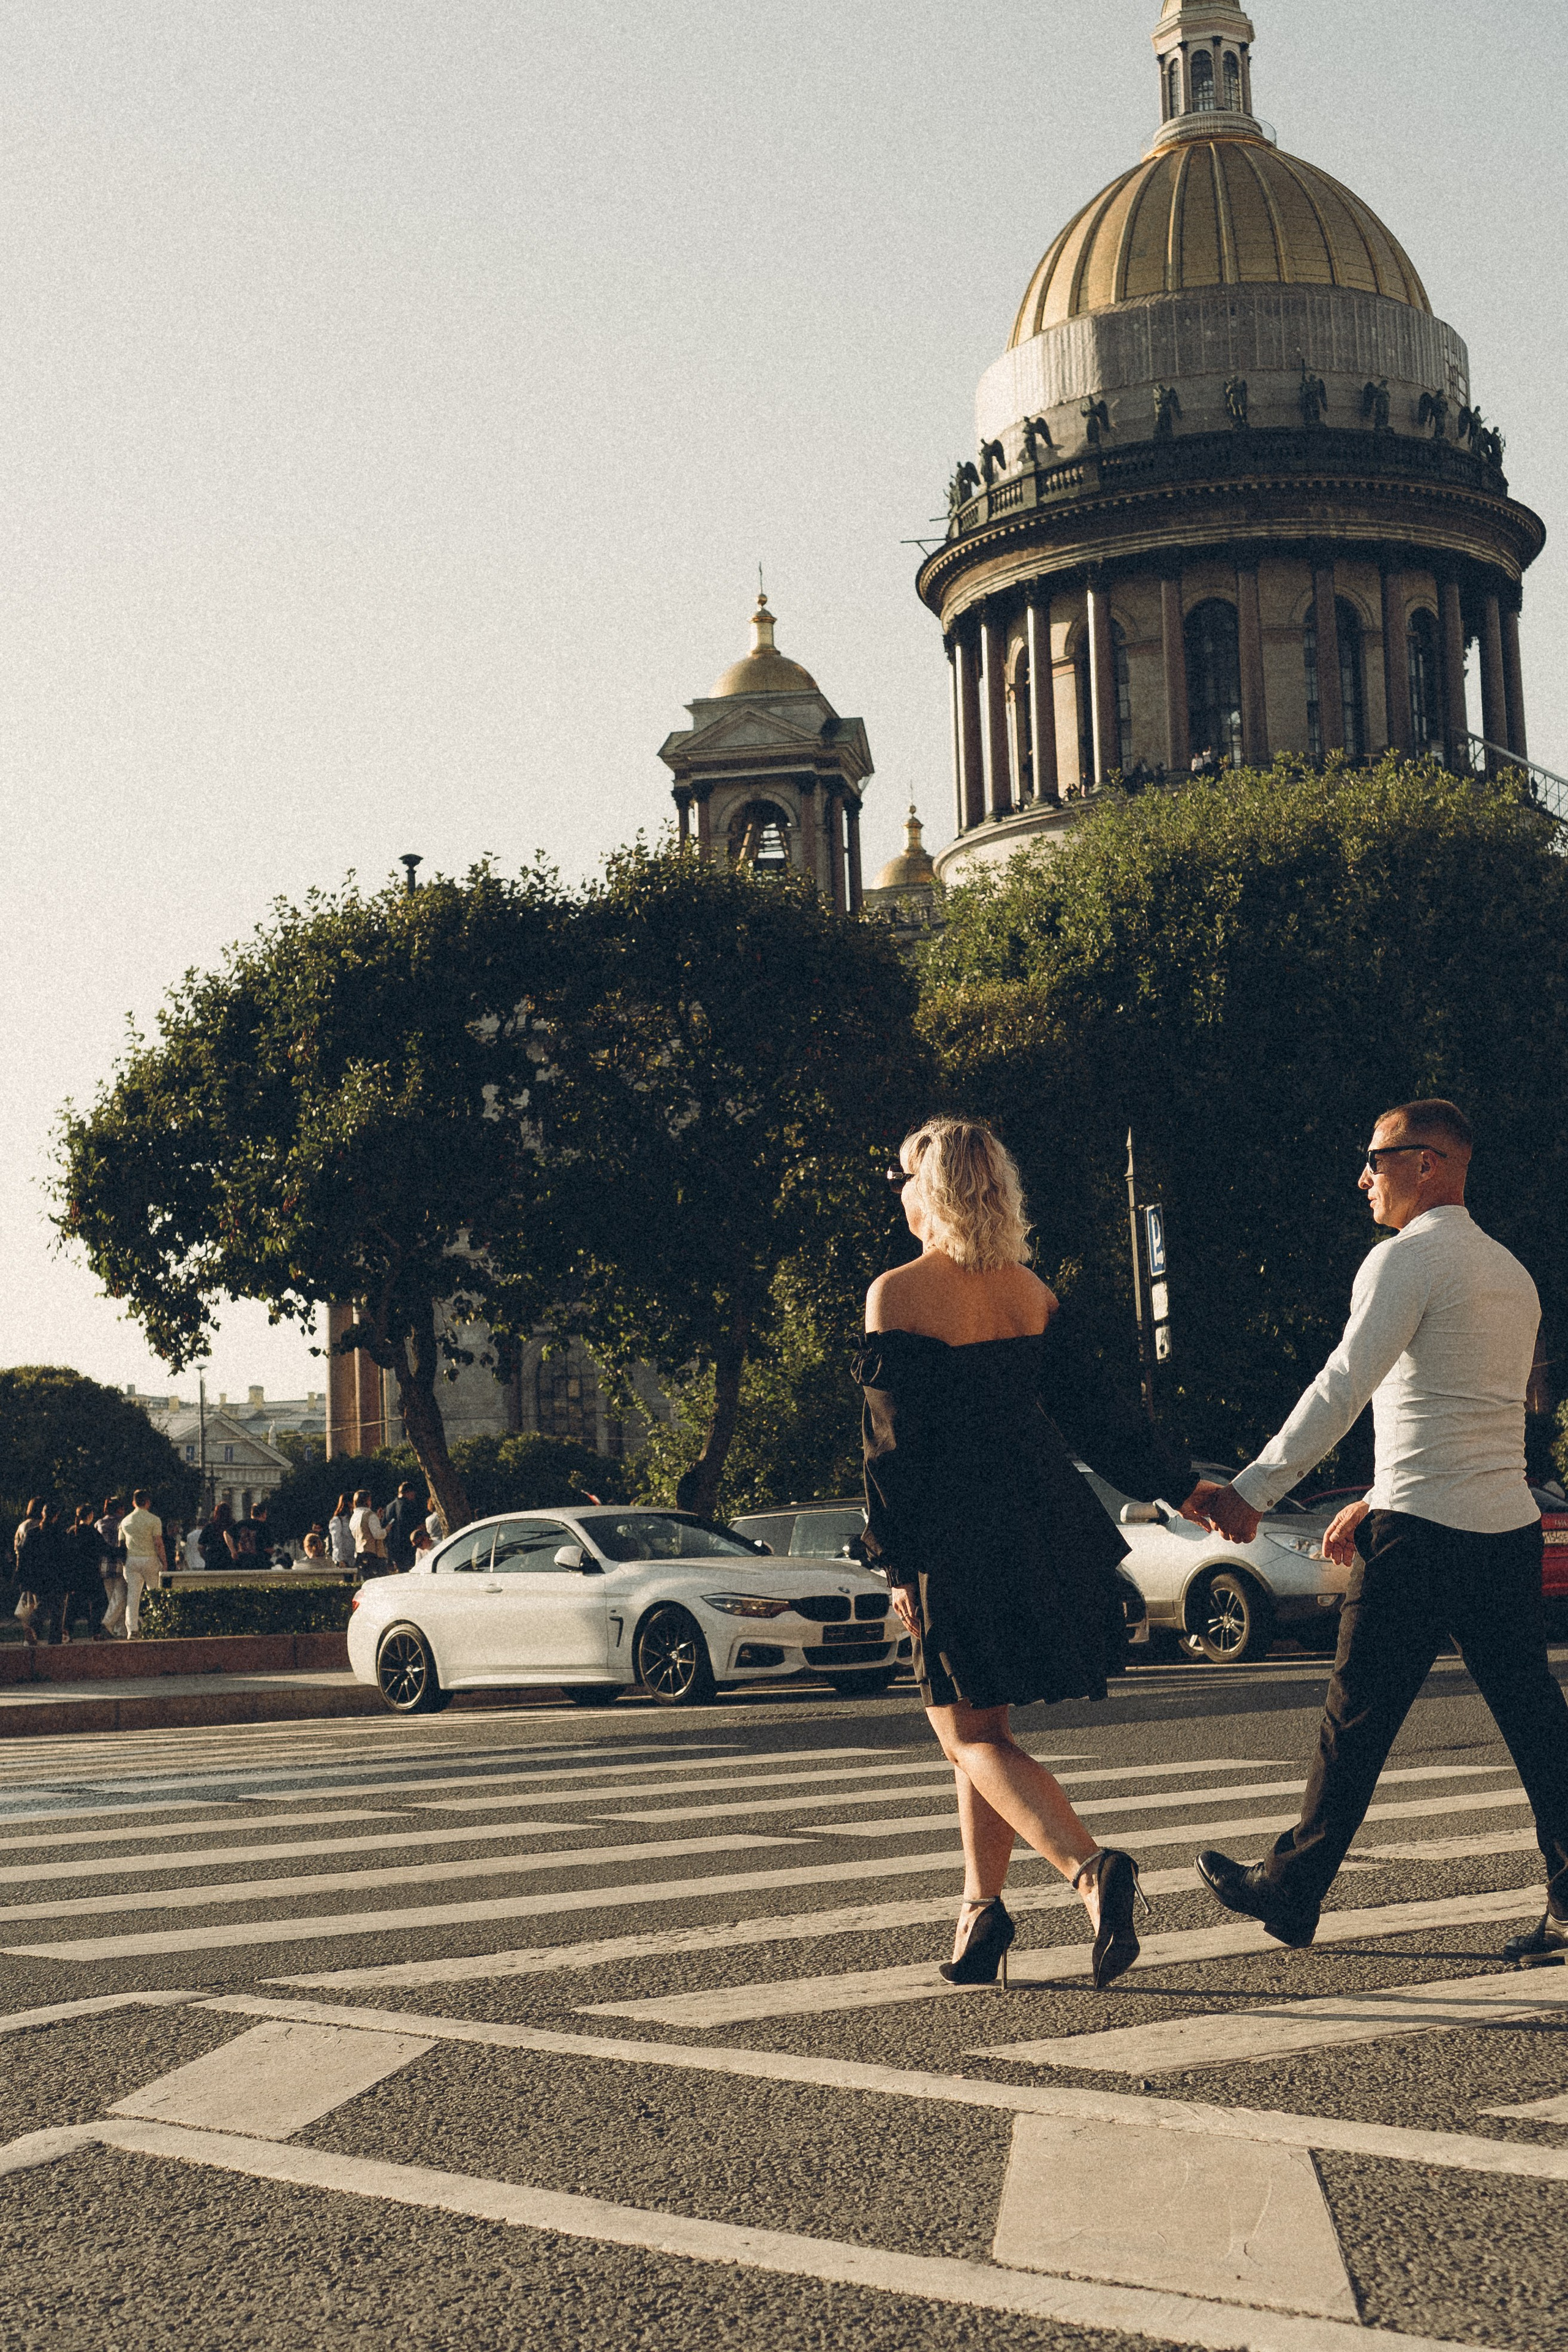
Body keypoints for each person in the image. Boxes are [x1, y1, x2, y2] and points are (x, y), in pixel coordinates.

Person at [1183, 1099, 1568, 1959]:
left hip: (1423, 1536)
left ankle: (1290, 1888)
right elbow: (1472, 1410)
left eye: (1375, 1158)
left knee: (1355, 1717)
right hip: (1504, 1527)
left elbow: (1344, 1382)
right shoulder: (1511, 1270)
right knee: (1538, 1723)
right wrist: (1376, 1492)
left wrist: (1253, 1489)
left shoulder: (1404, 1259)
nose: (1363, 1177)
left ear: (1427, 1164)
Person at [857, 1117, 1182, 1992]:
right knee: (986, 1725)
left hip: (957, 1535)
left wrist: (895, 1567)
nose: (898, 1191)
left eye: (903, 1177)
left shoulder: (898, 1294)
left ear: (931, 1190)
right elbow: (1102, 1417)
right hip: (1040, 1522)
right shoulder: (1029, 1292)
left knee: (962, 1736)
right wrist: (1190, 1490)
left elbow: (894, 1453)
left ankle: (1089, 1869)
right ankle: (981, 1916)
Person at [117, 1488, 167, 1638]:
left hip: (132, 1560)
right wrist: (164, 1562)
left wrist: (124, 1563)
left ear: (133, 1503)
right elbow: (158, 1543)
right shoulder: (154, 1520)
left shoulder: (125, 1521)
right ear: (148, 1503)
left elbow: (121, 1544)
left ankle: (132, 1629)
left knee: (133, 1597)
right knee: (155, 1593)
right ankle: (158, 1623)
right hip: (150, 1559)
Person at [12, 1500, 51, 1646]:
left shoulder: (22, 1526)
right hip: (37, 1569)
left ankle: (27, 1633)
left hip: (23, 1569)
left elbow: (17, 1548)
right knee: (39, 1604)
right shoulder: (36, 1526)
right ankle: (33, 1633)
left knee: (27, 1605)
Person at [96, 1496, 128, 1636]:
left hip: (104, 1565)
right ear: (119, 1509)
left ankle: (119, 1630)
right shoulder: (121, 1523)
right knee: (121, 1598)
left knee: (113, 1600)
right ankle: (108, 1623)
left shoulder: (99, 1523)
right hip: (119, 1565)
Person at [384, 1481, 423, 1573]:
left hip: (393, 1547)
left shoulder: (389, 1507)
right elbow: (416, 1525)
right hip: (408, 1547)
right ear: (409, 1493)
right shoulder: (410, 1505)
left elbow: (385, 1526)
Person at [349, 1488, 389, 1578]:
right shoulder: (370, 1515)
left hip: (360, 1553)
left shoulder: (354, 1517)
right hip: (374, 1555)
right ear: (367, 1501)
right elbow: (378, 1535)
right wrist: (386, 1530)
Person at [328, 1496, 355, 1569]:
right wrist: (340, 1560)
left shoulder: (353, 1519)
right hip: (344, 1561)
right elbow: (337, 1541)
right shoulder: (338, 1520)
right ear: (349, 1503)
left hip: (353, 1559)